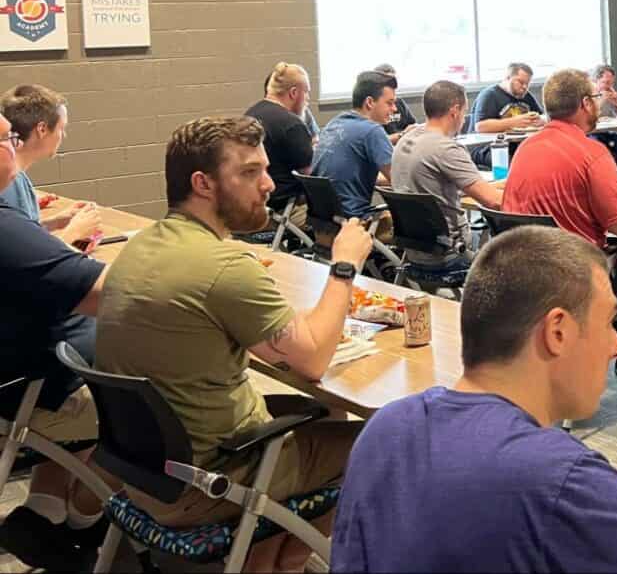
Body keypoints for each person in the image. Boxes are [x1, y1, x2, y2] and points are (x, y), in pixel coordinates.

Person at [330, 226, 617, 573]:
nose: (616, 347)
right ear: (557, 332)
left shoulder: (386, 428)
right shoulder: (561, 480)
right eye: (609, 322)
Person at [97, 116, 373, 571]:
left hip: (144, 471)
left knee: (325, 413)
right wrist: (344, 265)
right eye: (248, 172)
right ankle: (284, 558)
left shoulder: (142, 245)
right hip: (212, 478)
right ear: (203, 184)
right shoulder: (224, 266)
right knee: (385, 440)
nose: (267, 184)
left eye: (264, 169)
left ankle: (271, 562)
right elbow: (312, 361)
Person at [505, 68, 617, 400]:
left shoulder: (525, 151)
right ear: (586, 104)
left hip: (528, 273)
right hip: (575, 277)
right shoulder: (591, 153)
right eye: (596, 98)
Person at [0, 108, 109, 569]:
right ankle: (91, 517)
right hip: (32, 389)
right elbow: (104, 293)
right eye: (5, 139)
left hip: (31, 375)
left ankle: (45, 514)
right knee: (161, 402)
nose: (13, 146)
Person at [391, 79, 502, 253]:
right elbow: (494, 202)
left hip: (414, 251)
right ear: (455, 111)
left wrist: (501, 185)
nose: (465, 120)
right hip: (452, 252)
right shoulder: (446, 148)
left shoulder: (406, 139)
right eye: (465, 111)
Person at [0, 83, 103, 247]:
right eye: (61, 128)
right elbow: (24, 259)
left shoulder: (18, 176)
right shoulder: (8, 184)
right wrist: (74, 233)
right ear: (41, 129)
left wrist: (54, 223)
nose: (64, 135)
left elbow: (21, 236)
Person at [312, 69, 397, 222]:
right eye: (389, 103)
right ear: (370, 102)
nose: (394, 109)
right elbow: (399, 180)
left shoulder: (334, 123)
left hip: (323, 222)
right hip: (354, 223)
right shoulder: (373, 131)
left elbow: (347, 175)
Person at [244, 62, 314, 226]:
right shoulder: (291, 124)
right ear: (294, 93)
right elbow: (311, 174)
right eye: (307, 92)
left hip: (253, 205)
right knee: (340, 218)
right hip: (285, 209)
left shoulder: (251, 114)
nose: (308, 99)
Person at [468, 62, 542, 168]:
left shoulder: (527, 96)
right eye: (520, 82)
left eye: (528, 83)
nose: (524, 87)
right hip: (487, 147)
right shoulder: (489, 95)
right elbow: (480, 126)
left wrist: (540, 121)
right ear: (507, 77)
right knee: (513, 163)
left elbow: (541, 116)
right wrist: (514, 122)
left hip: (515, 145)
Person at [374, 64, 418, 144]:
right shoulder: (372, 108)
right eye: (388, 83)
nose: (394, 108)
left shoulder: (399, 102)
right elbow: (377, 141)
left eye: (394, 82)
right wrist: (403, 134)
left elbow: (413, 125)